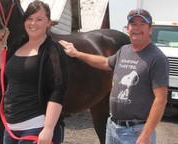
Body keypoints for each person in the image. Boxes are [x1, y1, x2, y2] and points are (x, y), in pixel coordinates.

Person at [59, 8, 169, 144]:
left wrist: (147, 133)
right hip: (113, 128)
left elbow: (161, 99)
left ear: (150, 30)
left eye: (142, 24)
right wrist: (78, 54)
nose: (137, 28)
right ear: (128, 28)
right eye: (133, 24)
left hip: (135, 131)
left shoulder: (157, 58)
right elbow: (105, 62)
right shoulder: (124, 50)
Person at [0, 0, 68, 144]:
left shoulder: (52, 50)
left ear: (48, 22)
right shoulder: (18, 44)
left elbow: (58, 90)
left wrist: (48, 128)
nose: (33, 23)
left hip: (37, 126)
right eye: (29, 18)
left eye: (39, 19)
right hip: (11, 128)